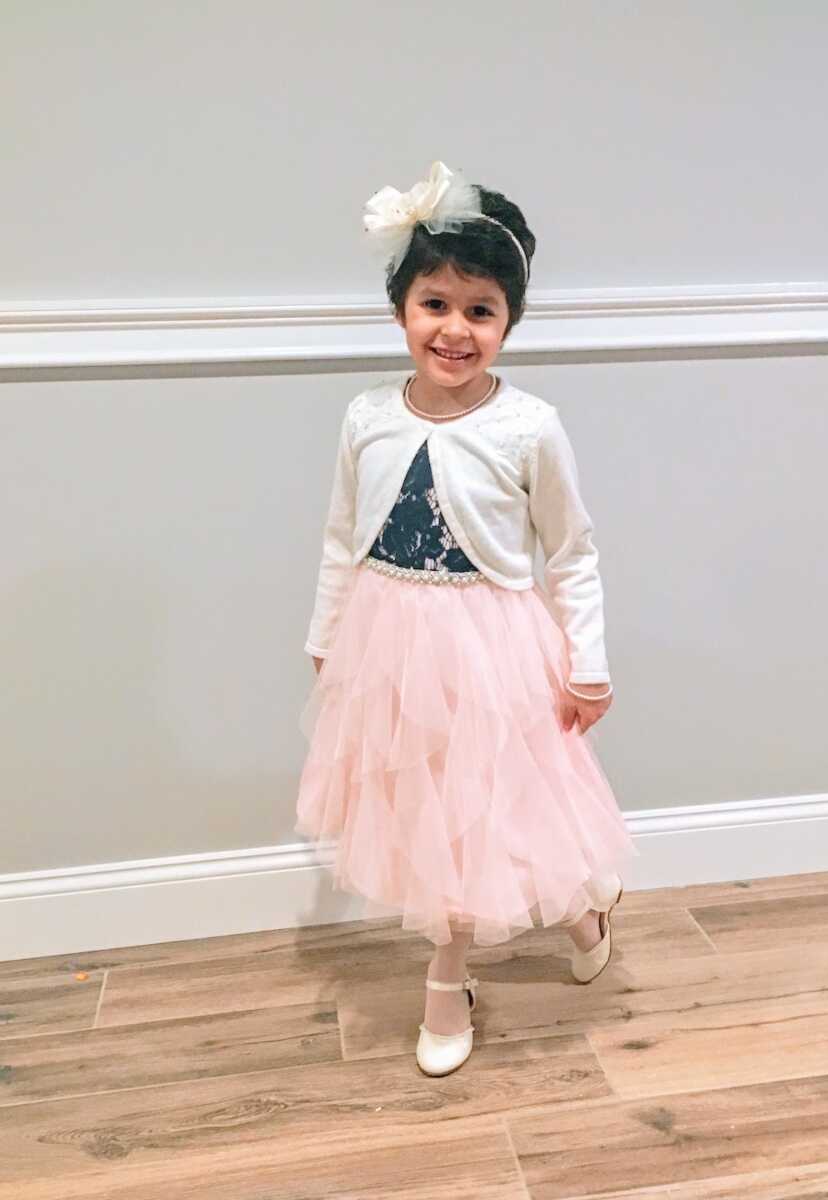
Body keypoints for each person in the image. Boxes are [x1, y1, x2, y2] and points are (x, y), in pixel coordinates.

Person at [296, 160, 640, 1076]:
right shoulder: (367, 417)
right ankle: (581, 911)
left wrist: (589, 663)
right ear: (401, 309)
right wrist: (327, 637)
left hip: (492, 647)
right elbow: (342, 537)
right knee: (430, 812)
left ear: (508, 323)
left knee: (492, 811)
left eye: (479, 310)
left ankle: (447, 979)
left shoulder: (529, 427)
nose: (454, 329)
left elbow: (573, 551)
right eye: (434, 304)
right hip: (390, 646)